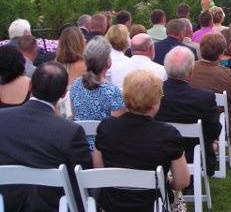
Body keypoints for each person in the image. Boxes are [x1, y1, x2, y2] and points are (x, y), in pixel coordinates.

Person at [93, 70, 190, 212]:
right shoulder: (168, 135)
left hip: (112, 205)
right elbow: (182, 181)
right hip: (153, 206)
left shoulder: (106, 127)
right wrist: (166, 181)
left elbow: (99, 170)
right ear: (155, 102)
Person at [0, 62, 91, 212]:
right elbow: (83, 177)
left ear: (30, 86)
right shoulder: (70, 131)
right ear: (63, 94)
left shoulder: (2, 118)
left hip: (8, 203)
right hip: (56, 205)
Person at [155, 46, 222, 176]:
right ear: (191, 72)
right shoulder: (204, 98)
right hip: (194, 153)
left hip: (160, 151)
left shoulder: (154, 93)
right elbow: (214, 130)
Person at [191, 33, 231, 163]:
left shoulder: (189, 68)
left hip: (189, 111)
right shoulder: (226, 74)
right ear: (221, 53)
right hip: (213, 117)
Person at [70, 36, 125, 148]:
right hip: (104, 147)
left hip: (79, 144)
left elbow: (74, 114)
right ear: (108, 62)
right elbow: (117, 127)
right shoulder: (112, 91)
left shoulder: (75, 84)